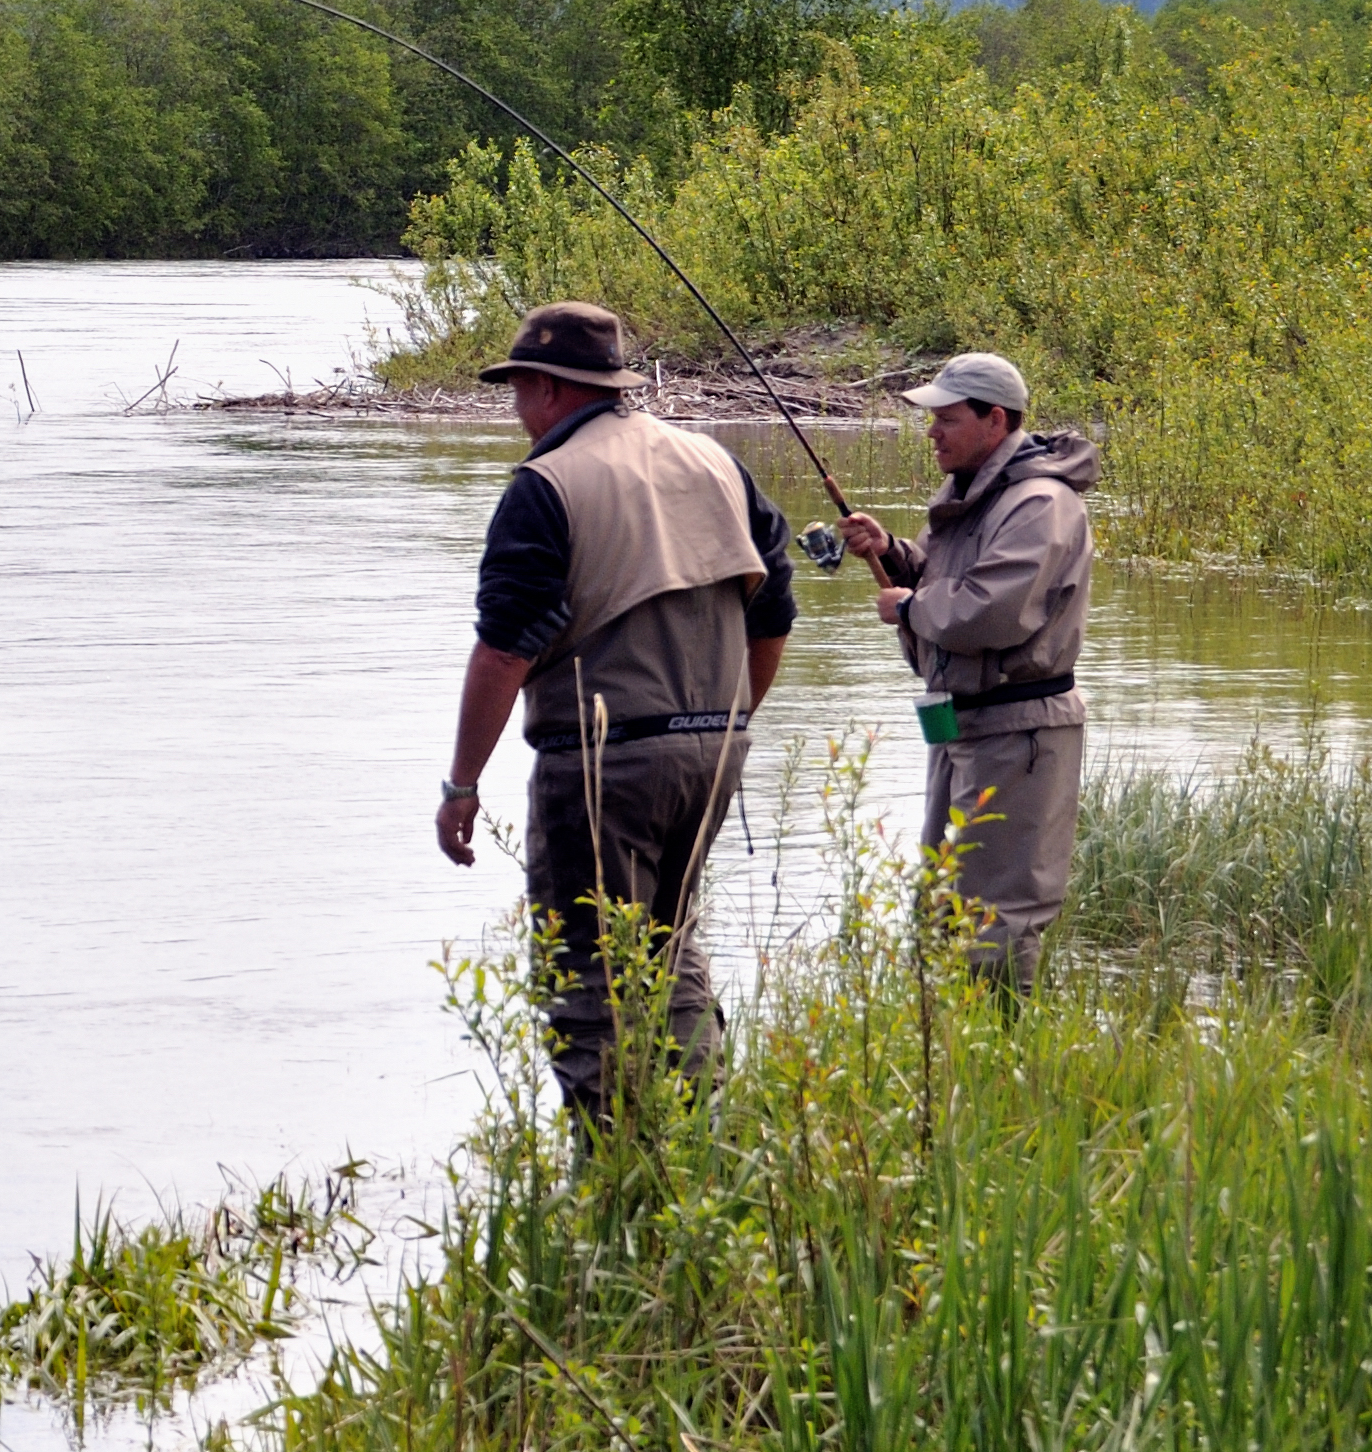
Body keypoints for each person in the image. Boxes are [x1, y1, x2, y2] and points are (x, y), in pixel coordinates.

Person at [434, 302, 797, 1130]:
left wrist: (461, 783)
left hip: (600, 764)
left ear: (551, 389)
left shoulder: (545, 485)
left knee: (589, 971)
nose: (517, 412)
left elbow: (502, 649)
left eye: (519, 391)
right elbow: (773, 609)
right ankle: (703, 1145)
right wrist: (730, 718)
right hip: (714, 750)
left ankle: (616, 1173)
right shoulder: (713, 461)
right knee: (670, 950)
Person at [835, 352, 1095, 985]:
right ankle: (954, 1057)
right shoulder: (970, 495)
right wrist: (893, 554)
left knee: (999, 918)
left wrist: (908, 607)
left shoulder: (1040, 504)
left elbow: (990, 612)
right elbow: (944, 578)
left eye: (946, 419)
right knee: (945, 903)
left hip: (1019, 732)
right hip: (963, 727)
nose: (932, 433)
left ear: (995, 420)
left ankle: (1003, 1061)